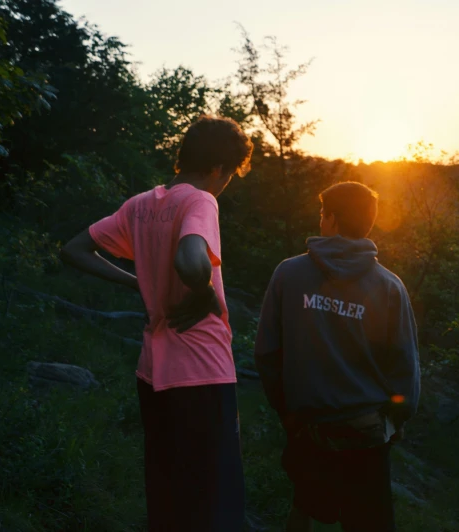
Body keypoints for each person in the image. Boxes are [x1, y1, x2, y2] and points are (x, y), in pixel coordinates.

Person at [60, 115, 253, 531]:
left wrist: (137, 282)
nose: (227, 183)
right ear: (219, 168)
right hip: (203, 372)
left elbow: (74, 250)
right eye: (231, 174)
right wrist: (203, 292)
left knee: (167, 493)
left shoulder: (141, 205)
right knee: (214, 501)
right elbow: (189, 259)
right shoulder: (201, 200)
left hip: (153, 373)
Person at [254, 181, 421, 532]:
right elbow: (404, 365)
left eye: (321, 215)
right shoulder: (389, 286)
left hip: (307, 424)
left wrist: (286, 411)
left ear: (330, 219)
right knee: (367, 521)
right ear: (369, 224)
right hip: (366, 432)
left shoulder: (289, 273)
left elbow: (268, 352)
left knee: (305, 510)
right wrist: (398, 419)